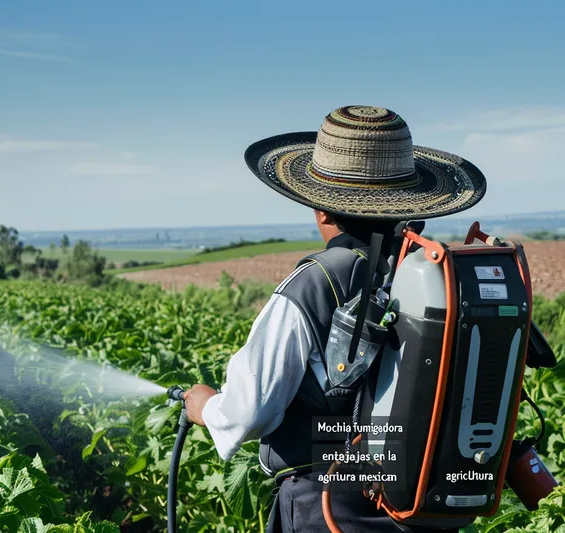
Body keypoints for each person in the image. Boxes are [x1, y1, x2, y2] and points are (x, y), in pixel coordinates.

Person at [182, 106, 487, 533]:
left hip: (329, 505)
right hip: (420, 502)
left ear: (320, 208)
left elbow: (247, 412)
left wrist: (205, 407)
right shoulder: (433, 276)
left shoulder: (317, 281)